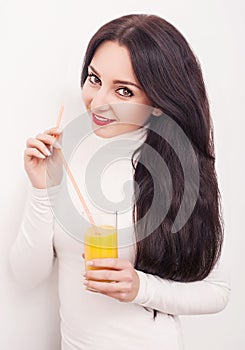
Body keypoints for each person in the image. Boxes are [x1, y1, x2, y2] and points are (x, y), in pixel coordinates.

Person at [9, 14, 230, 350]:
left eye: (123, 91)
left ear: (158, 103)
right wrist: (40, 188)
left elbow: (218, 292)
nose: (97, 103)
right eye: (94, 79)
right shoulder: (62, 155)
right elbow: (26, 275)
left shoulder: (178, 170)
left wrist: (139, 288)